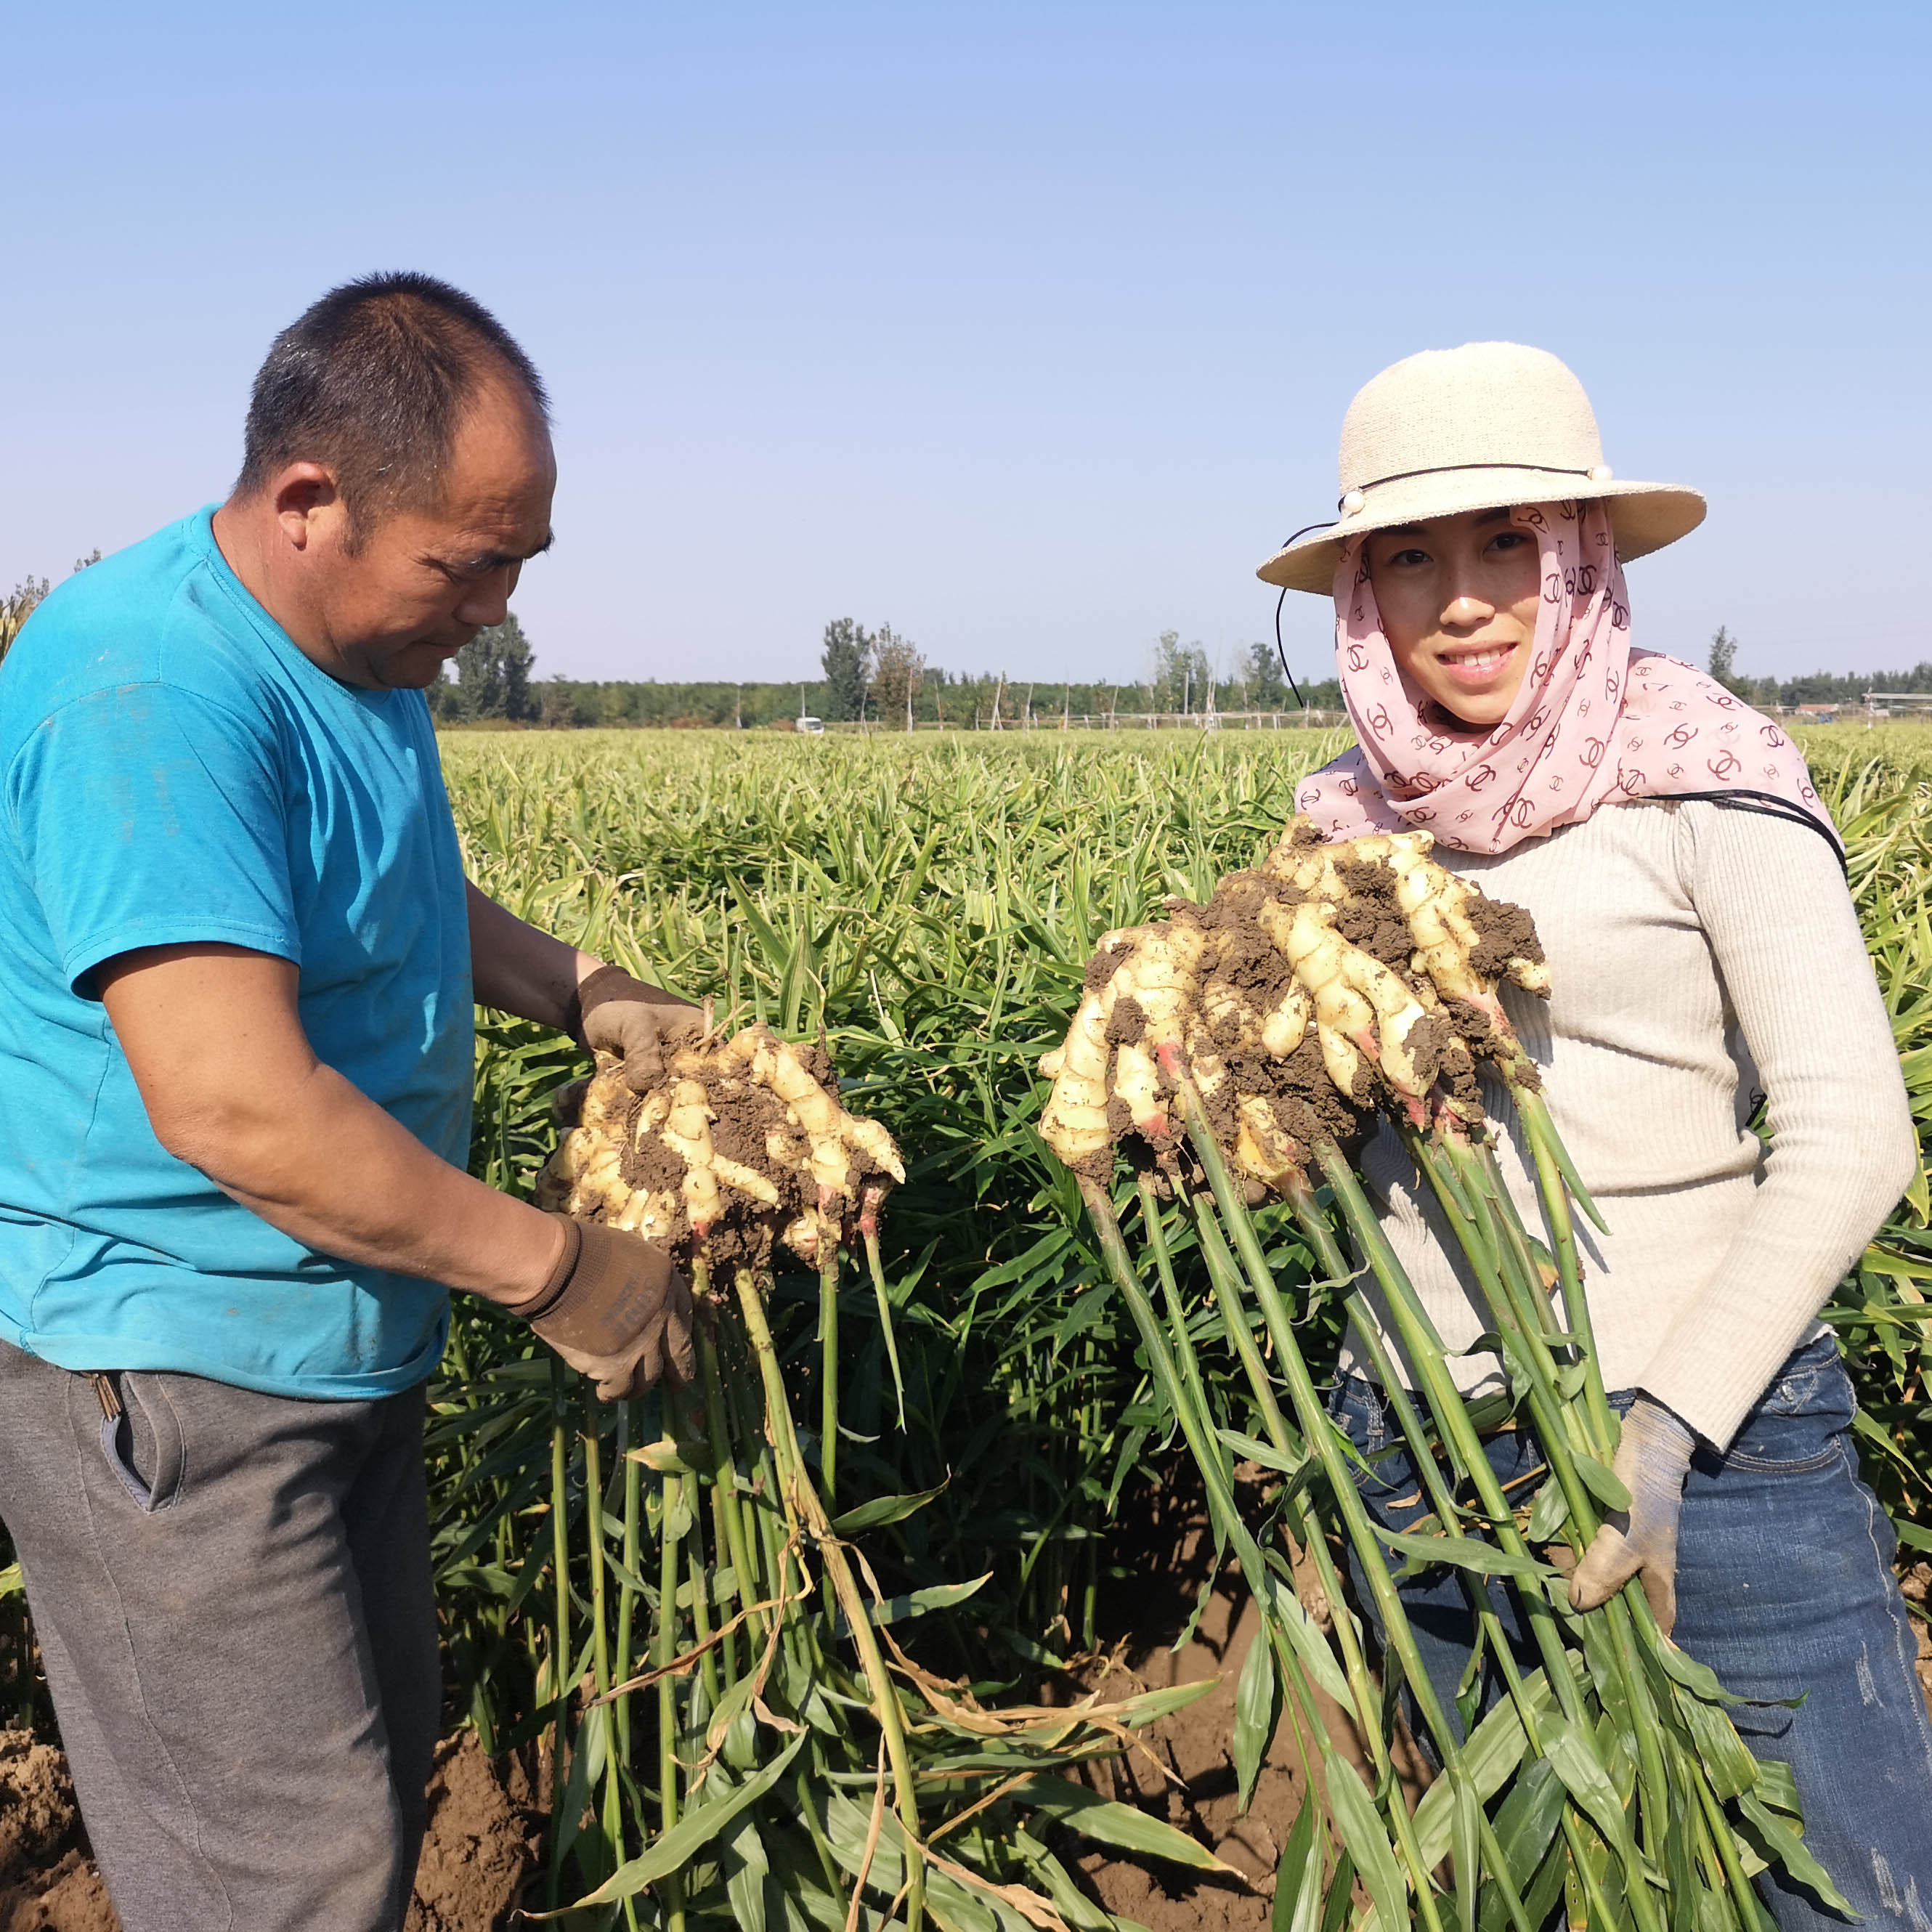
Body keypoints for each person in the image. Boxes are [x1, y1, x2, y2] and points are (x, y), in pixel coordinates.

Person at [0, 273, 702, 1932]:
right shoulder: (149, 687)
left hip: (334, 1341)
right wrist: (558, 1267)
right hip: (172, 1385)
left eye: (518, 565)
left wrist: (575, 983)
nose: (498, 611)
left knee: (361, 1815)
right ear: (311, 501)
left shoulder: (360, 654)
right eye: (470, 565)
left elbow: (380, 891)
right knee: (282, 1889)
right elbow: (237, 1107)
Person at [1259, 341, 1932, 1929]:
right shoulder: (1339, 829)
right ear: (1362, 592)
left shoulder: (1705, 773)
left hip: (1718, 1438)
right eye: (1409, 556)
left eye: (1507, 542)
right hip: (1420, 1451)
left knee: (1846, 1901)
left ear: (1581, 557)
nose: (1463, 598)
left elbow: (1850, 1136)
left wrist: (1662, 1435)